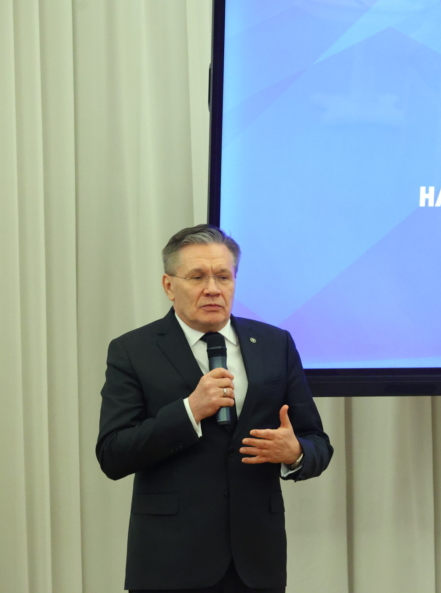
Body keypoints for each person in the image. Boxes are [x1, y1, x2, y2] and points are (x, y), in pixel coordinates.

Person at [96, 224, 332, 593]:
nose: (212, 288)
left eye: (223, 276)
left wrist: (296, 452)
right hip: (170, 562)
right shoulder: (133, 351)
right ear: (169, 286)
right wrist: (189, 411)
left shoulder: (275, 344)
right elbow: (113, 454)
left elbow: (317, 442)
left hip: (256, 564)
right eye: (197, 277)